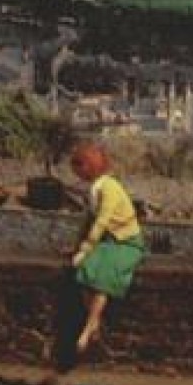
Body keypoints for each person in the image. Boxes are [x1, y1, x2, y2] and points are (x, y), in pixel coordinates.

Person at [68, 141, 145, 353]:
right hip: (108, 242)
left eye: (78, 167)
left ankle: (89, 326)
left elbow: (102, 220)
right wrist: (78, 247)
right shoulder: (95, 188)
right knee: (84, 271)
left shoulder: (109, 187)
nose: (76, 173)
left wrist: (86, 247)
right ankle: (93, 320)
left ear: (88, 166)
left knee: (103, 276)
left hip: (126, 243)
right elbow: (88, 221)